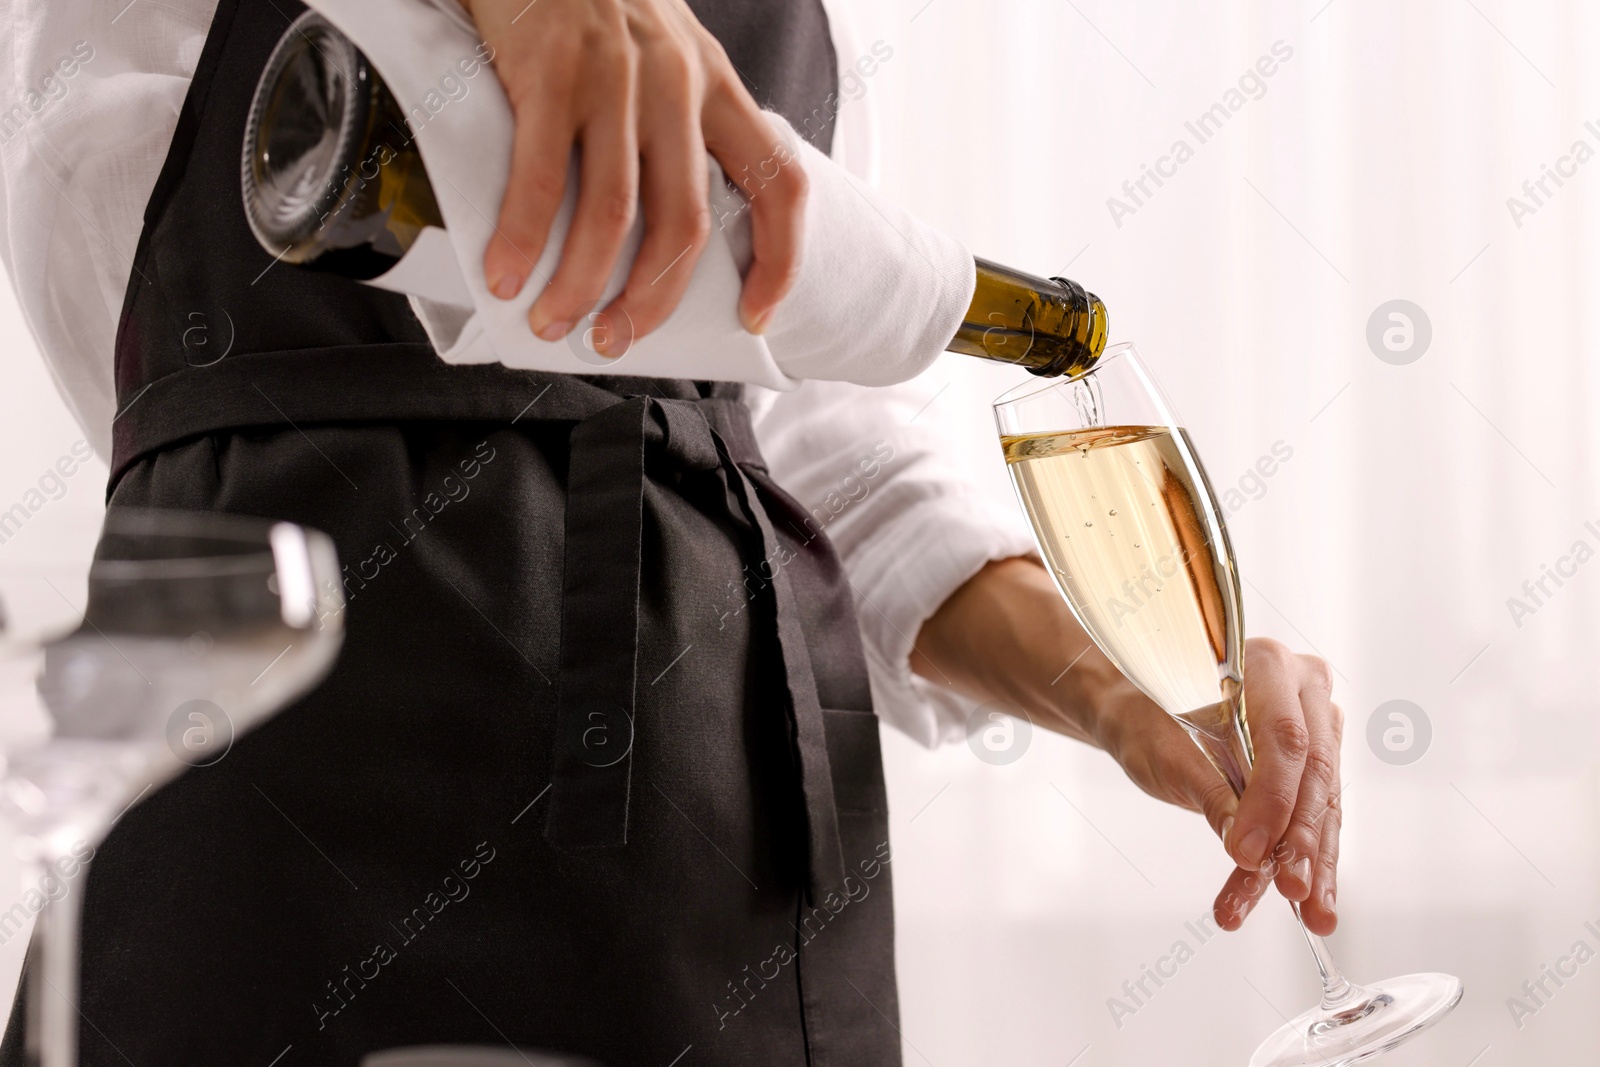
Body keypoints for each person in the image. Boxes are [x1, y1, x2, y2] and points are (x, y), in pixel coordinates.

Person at [0, 0, 1343, 1063]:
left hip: (715, 835)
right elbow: (122, 265)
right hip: (269, 758)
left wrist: (1116, 692)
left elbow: (825, 421)